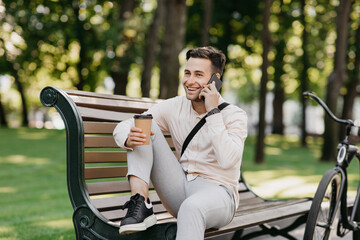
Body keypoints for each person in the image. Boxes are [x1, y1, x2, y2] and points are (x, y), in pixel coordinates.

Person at [113, 46, 247, 240]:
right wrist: (127, 137)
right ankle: (141, 203)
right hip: (180, 187)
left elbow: (227, 161)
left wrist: (213, 113)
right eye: (187, 73)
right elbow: (126, 124)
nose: (190, 81)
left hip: (219, 195)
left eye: (199, 75)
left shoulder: (235, 115)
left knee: (192, 208)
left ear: (215, 80)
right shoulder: (175, 106)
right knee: (145, 125)